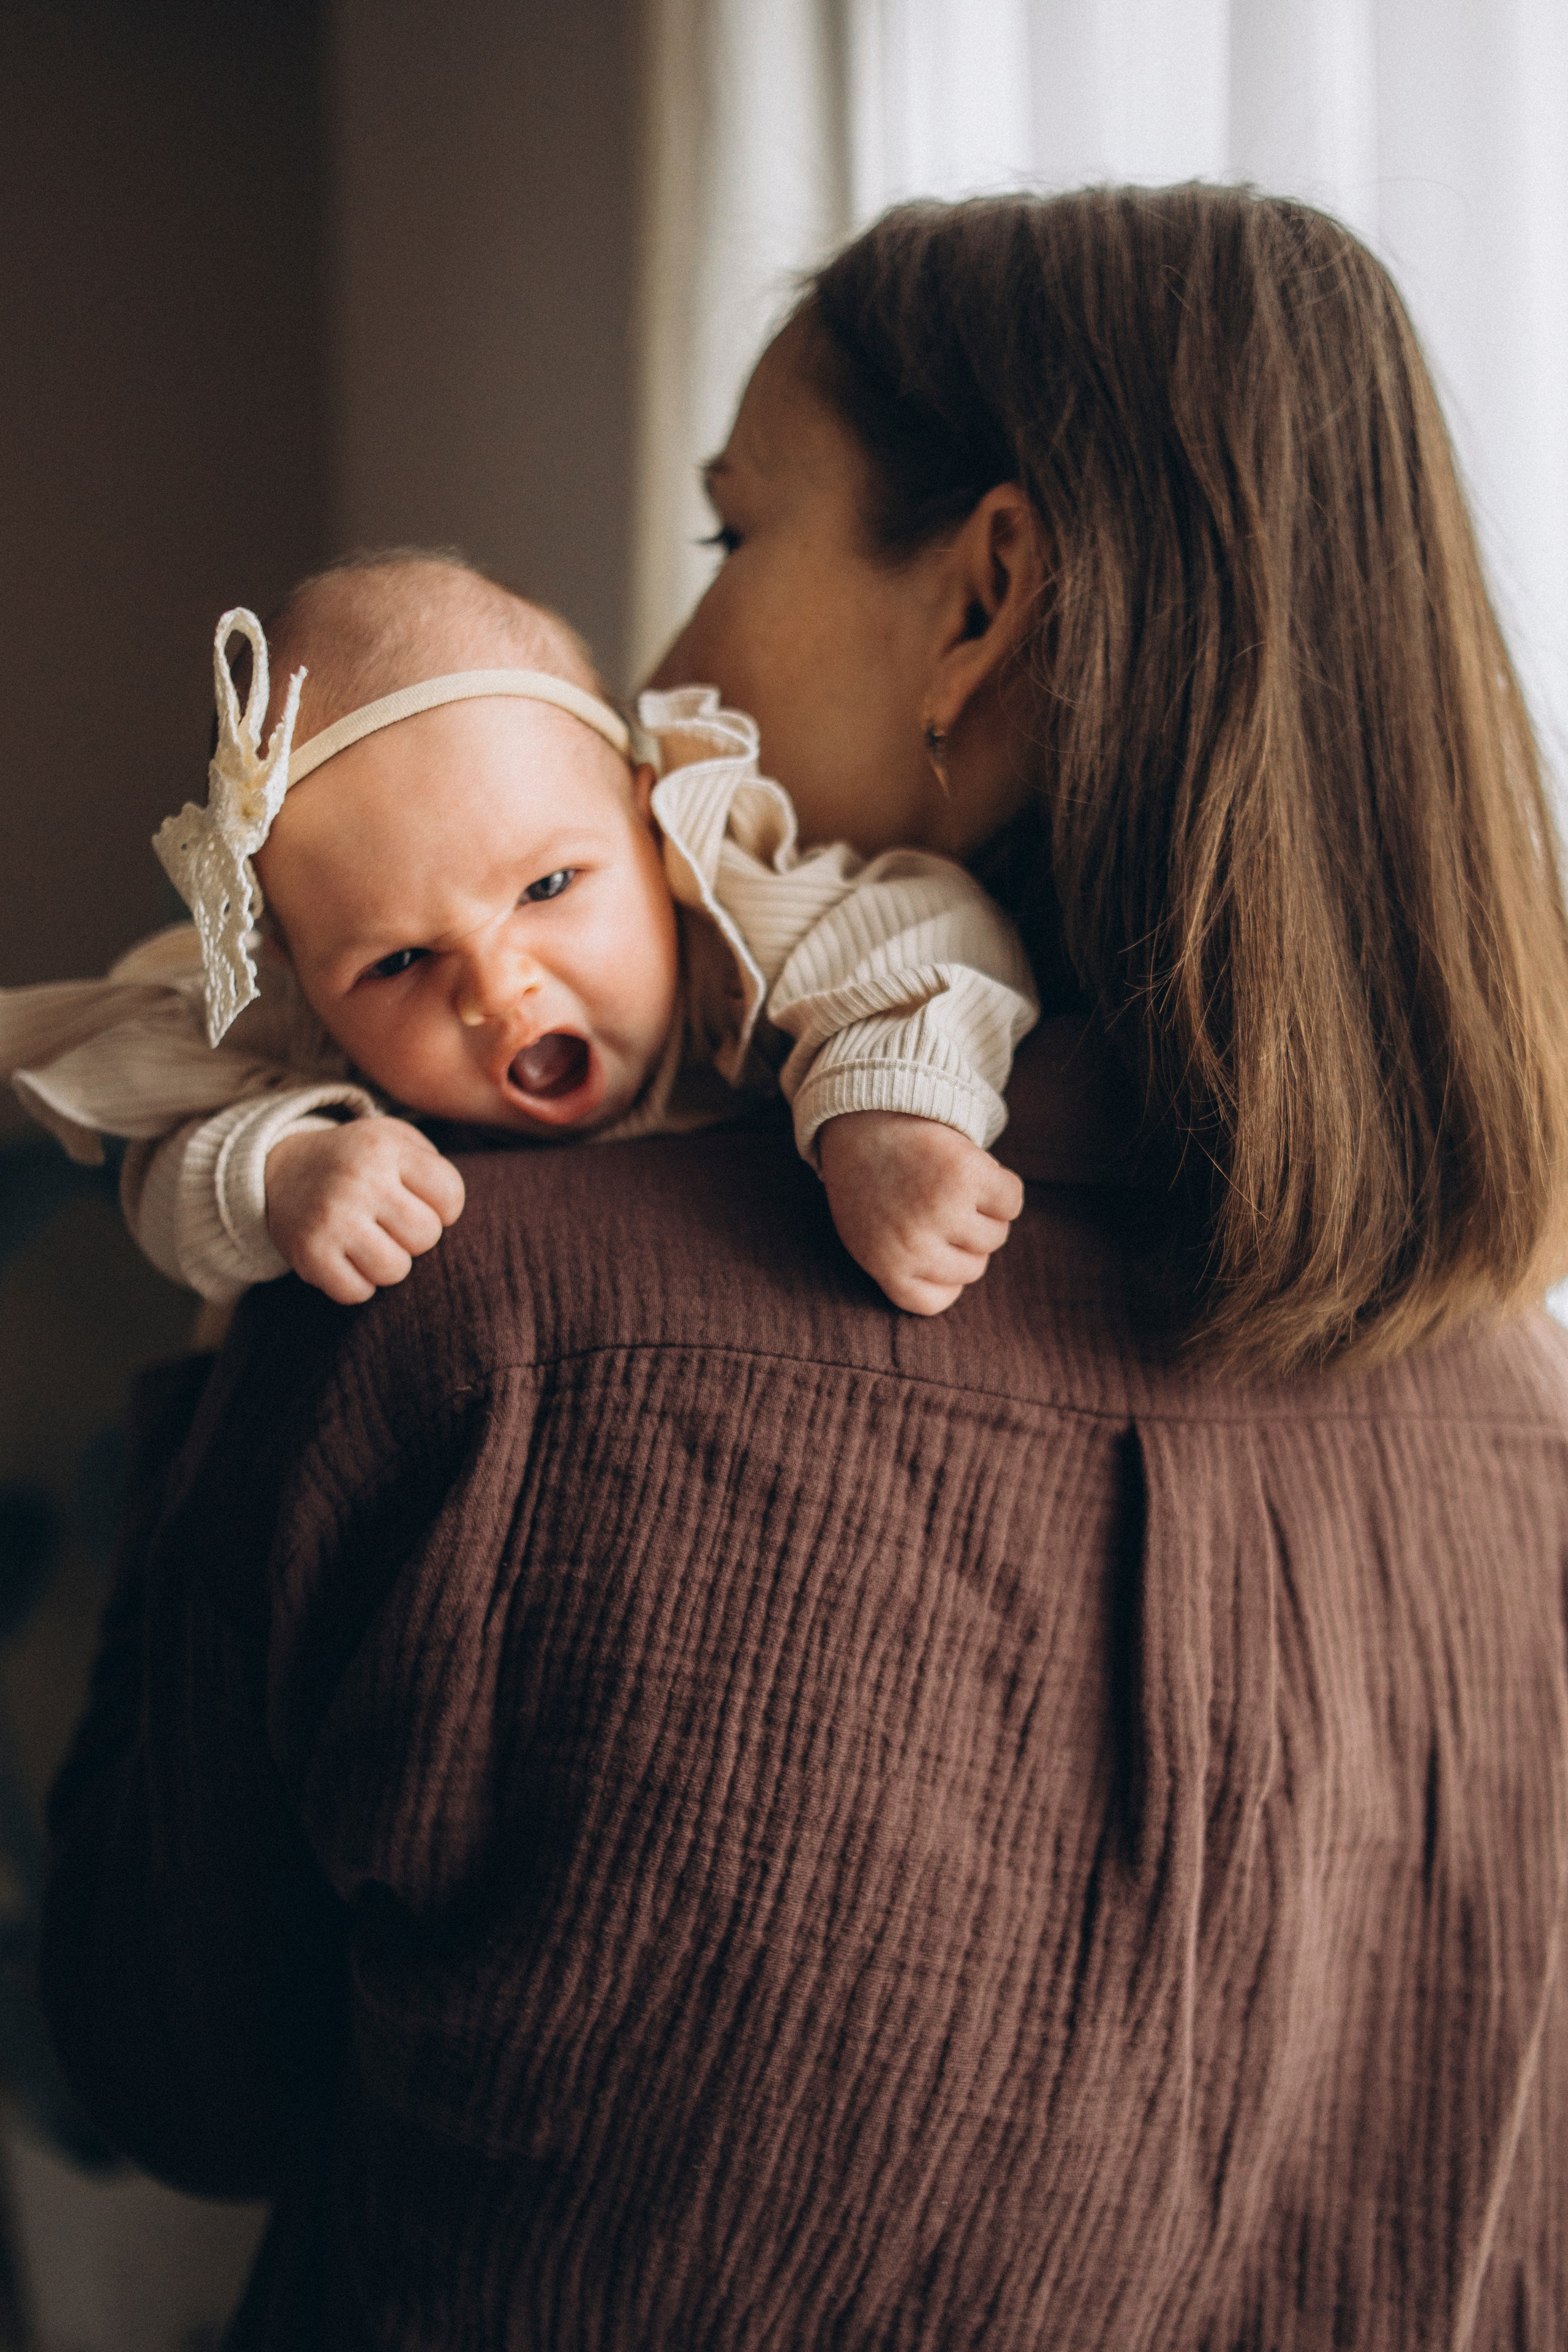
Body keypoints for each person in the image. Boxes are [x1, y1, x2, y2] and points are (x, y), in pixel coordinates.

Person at [42, 185, 1568, 2349]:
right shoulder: (1535, 1436)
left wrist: (235, 1366)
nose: (665, 677)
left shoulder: (458, 1330)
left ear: (987, 600)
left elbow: (163, 2064)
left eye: (732, 538)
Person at [0, 555, 1034, 1316]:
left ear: (648, 820)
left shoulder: (732, 921)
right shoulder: (308, 1044)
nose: (497, 990)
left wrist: (892, 1111)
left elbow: (930, 928)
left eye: (547, 885)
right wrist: (283, 1175)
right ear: (302, 980)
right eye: (398, 961)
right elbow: (168, 1178)